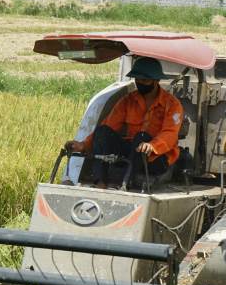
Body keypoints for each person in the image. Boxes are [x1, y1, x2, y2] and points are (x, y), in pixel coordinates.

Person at [65, 57, 183, 187]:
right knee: (102, 131)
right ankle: (100, 182)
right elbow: (109, 125)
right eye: (137, 79)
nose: (140, 83)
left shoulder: (172, 105)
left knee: (142, 137)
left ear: (156, 80)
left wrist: (152, 146)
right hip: (131, 151)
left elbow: (170, 134)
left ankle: (125, 184)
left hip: (157, 158)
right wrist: (84, 145)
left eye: (145, 80)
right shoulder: (128, 101)